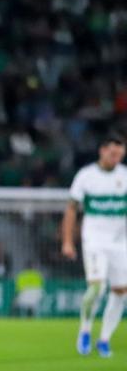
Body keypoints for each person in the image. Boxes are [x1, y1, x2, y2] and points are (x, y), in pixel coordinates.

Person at [61, 136, 127, 358]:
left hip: (120, 243)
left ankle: (105, 339)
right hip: (95, 241)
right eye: (112, 153)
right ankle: (85, 329)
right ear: (102, 150)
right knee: (97, 288)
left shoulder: (124, 176)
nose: (116, 158)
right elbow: (71, 209)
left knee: (120, 291)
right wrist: (68, 240)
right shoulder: (86, 176)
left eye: (120, 154)